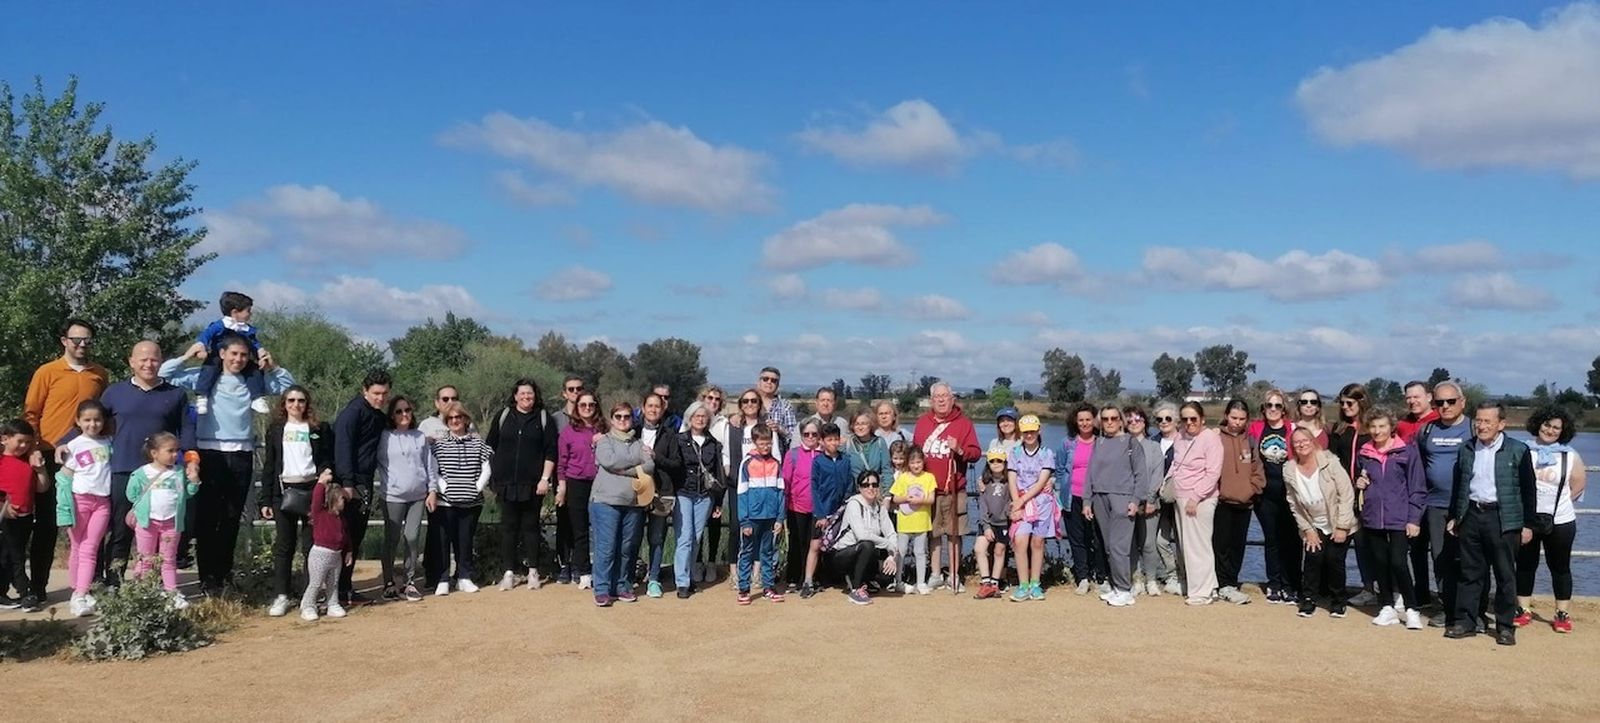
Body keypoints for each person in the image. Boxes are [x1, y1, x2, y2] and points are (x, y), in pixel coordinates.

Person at [161, 335, 295, 595]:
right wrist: (188, 354)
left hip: (241, 454)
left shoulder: (252, 381)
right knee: (207, 519)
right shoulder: (205, 377)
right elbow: (165, 374)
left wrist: (272, 365)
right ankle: (207, 578)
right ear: (222, 354)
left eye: (244, 355)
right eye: (233, 354)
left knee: (232, 518)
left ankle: (224, 575)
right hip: (210, 453)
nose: (238, 360)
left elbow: (287, 386)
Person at [25, 318, 109, 605]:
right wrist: (35, 447)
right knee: (48, 523)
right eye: (76, 340)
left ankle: (89, 585)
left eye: (87, 340)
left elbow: (103, 416)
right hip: (51, 454)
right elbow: (31, 413)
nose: (82, 345)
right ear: (64, 341)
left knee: (92, 526)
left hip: (89, 457)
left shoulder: (99, 374)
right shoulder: (47, 372)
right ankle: (37, 588)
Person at [96, 341, 191, 589]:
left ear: (161, 361)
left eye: (154, 359)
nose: (149, 364)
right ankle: (114, 582)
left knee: (161, 533)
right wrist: (67, 443)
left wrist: (192, 461)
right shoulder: (114, 393)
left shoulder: (176, 394)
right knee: (121, 530)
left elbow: (188, 430)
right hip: (124, 469)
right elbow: (92, 422)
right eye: (143, 359)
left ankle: (155, 585)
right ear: (131, 361)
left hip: (163, 475)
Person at [1445, 402, 1537, 646]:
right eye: (1478, 420)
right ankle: (1466, 621)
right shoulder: (1466, 449)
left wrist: (1528, 524)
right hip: (1472, 515)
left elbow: (1529, 490)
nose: (1481, 425)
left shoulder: (1518, 449)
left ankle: (1505, 626)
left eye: (1487, 421)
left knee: (1505, 574)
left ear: (1501, 424)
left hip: (1502, 518)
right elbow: (1460, 485)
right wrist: (1454, 516)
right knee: (1470, 572)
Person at [258, 386, 335, 617]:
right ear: (284, 403)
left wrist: (326, 473)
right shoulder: (276, 430)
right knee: (284, 546)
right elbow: (270, 466)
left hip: (313, 490)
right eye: (291, 400)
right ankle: (281, 595)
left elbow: (326, 458)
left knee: (311, 546)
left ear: (307, 403)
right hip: (284, 491)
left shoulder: (319, 429)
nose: (296, 404)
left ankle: (309, 596)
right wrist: (266, 500)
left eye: (301, 400)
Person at [1354, 407, 1426, 630]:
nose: (1377, 431)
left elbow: (1418, 487)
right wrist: (1360, 483)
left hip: (1399, 516)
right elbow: (1362, 478)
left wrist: (1414, 519)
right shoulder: (1364, 453)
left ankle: (1412, 608)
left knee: (1398, 562)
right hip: (1373, 517)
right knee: (1380, 563)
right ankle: (1386, 606)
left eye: (1382, 426)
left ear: (1391, 427)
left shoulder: (1407, 451)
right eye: (1373, 426)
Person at [1514, 407, 1585, 635]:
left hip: (1561, 520)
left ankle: (1562, 613)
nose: (1550, 430)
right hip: (1528, 519)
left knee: (1560, 567)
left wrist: (1561, 504)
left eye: (1556, 428)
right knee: (1525, 565)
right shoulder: (1524, 450)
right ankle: (1523, 609)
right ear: (1538, 424)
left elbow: (1579, 483)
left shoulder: (1569, 455)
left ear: (1563, 432)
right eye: (1546, 425)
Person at [485, 378, 558, 592]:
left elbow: (551, 451)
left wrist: (545, 479)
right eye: (522, 393)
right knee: (508, 528)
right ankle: (509, 572)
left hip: (533, 484)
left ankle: (533, 571)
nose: (526, 397)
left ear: (536, 396)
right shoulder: (503, 417)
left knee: (531, 527)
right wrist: (491, 477)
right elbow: (490, 447)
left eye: (530, 394)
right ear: (515, 395)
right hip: (505, 483)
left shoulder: (544, 419)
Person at [914, 382, 981, 593]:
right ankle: (935, 574)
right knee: (933, 533)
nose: (941, 400)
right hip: (929, 490)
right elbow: (915, 454)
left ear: (952, 399)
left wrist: (960, 449)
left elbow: (976, 453)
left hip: (955, 488)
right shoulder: (923, 423)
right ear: (931, 400)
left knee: (954, 534)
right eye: (937, 397)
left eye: (945, 396)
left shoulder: (964, 424)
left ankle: (953, 574)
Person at [1416, 381, 1473, 628]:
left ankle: (1473, 610)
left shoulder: (1474, 427)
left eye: (1451, 401)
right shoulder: (1427, 431)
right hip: (1436, 504)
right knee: (1440, 557)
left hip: (1469, 505)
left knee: (1472, 558)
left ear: (1463, 402)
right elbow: (1417, 464)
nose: (1445, 406)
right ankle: (1446, 606)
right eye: (1440, 402)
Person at [1083, 405, 1150, 608]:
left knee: (1119, 547)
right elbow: (1090, 474)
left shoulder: (1130, 443)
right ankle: (1117, 586)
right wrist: (1087, 500)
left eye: (1113, 418)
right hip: (1099, 498)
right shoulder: (1099, 442)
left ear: (1121, 420)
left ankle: (1124, 590)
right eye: (1105, 419)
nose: (1109, 422)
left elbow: (1141, 475)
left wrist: (1136, 500)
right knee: (1109, 547)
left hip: (1122, 498)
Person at [332, 370, 390, 605]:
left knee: (355, 537)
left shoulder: (376, 416)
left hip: (364, 481)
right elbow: (342, 448)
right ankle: (335, 590)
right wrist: (347, 483)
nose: (380, 398)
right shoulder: (353, 413)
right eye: (376, 393)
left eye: (384, 393)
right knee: (343, 538)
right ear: (365, 391)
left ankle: (346, 590)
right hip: (350, 483)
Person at [125, 432, 200, 610]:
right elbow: (131, 494)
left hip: (171, 523)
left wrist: (194, 482)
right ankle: (145, 591)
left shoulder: (179, 472)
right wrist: (143, 509)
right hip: (147, 523)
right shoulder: (141, 474)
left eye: (177, 450)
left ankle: (171, 592)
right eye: (170, 451)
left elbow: (187, 494)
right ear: (154, 453)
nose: (175, 455)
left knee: (168, 559)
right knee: (146, 558)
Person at [1286, 428, 1355, 618]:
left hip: (1336, 519)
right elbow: (1293, 504)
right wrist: (1308, 530)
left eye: (1305, 440)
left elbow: (1346, 493)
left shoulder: (1330, 462)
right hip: (1313, 521)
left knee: (1334, 559)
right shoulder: (1289, 469)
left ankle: (1338, 600)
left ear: (1313, 441)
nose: (1302, 444)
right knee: (1312, 558)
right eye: (1297, 442)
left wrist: (1342, 526)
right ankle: (1308, 599)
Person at [429, 402, 491, 596]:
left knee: (465, 541)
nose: (455, 421)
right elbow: (433, 470)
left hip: (471, 501)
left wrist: (477, 487)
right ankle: (443, 579)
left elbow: (486, 467)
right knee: (443, 541)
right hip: (445, 502)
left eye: (458, 417)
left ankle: (464, 577)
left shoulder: (478, 442)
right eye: (451, 418)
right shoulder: (439, 444)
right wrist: (445, 488)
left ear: (465, 419)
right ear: (447, 421)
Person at [58, 400, 113, 617]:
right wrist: (63, 508)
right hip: (79, 500)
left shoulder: (109, 442)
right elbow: (64, 479)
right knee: (78, 547)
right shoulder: (73, 445)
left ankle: (80, 592)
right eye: (87, 420)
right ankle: (79, 593)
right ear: (78, 421)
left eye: (97, 419)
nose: (93, 424)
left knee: (90, 548)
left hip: (102, 502)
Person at [591, 402, 650, 607]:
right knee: (606, 547)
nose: (623, 420)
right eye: (618, 416)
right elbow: (609, 461)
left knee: (627, 547)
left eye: (627, 416)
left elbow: (649, 464)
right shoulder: (604, 441)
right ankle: (602, 588)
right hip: (605, 501)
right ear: (612, 418)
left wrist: (625, 470)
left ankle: (622, 586)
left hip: (633, 501)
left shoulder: (637, 442)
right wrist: (635, 465)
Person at [379, 396, 435, 603]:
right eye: (399, 411)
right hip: (392, 496)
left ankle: (409, 581)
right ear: (392, 415)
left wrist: (432, 490)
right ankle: (388, 583)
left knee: (412, 537)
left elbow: (429, 465)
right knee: (392, 539)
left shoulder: (420, 436)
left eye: (408, 410)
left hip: (418, 495)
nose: (404, 415)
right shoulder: (384, 436)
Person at [1330, 383, 1380, 607]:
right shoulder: (1339, 430)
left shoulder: (1371, 429)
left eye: (1349, 403)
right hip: (1344, 493)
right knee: (1347, 542)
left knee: (1371, 543)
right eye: (1342, 403)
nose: (1345, 407)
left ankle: (1381, 588)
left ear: (1361, 402)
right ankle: (1352, 588)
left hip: (1368, 493)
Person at [1248, 390, 1300, 604]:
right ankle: (1274, 583)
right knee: (1271, 539)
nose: (1273, 409)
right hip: (1265, 494)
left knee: (1291, 539)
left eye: (1277, 406)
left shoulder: (1292, 429)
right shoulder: (1256, 428)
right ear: (1263, 409)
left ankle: (1291, 584)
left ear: (1283, 409)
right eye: (1269, 405)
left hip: (1289, 494)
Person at [669, 402, 725, 599]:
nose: (700, 419)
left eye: (704, 416)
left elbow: (718, 474)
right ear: (689, 418)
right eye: (696, 416)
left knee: (696, 538)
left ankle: (690, 575)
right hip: (684, 492)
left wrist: (718, 501)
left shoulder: (714, 444)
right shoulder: (678, 440)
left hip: (705, 496)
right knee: (684, 537)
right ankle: (682, 582)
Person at [186, 291, 270, 416]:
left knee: (254, 370)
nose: (250, 314)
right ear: (235, 312)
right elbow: (205, 336)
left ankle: (257, 397)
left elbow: (254, 343)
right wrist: (201, 347)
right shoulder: (219, 326)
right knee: (209, 369)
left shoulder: (246, 329)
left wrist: (262, 355)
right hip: (217, 356)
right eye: (248, 311)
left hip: (240, 359)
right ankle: (202, 396)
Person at [1173, 402, 1224, 606]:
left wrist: (1195, 497)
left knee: (1198, 546)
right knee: (1188, 545)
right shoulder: (1180, 436)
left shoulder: (1211, 439)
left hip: (1199, 499)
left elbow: (1213, 472)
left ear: (1202, 419)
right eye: (1185, 419)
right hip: (1181, 495)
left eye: (1193, 418)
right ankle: (1204, 587)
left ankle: (1202, 591)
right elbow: (1177, 464)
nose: (1189, 423)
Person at [1213, 400, 1263, 606]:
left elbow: (1257, 469)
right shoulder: (1215, 438)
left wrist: (1252, 489)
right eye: (1234, 418)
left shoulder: (1250, 440)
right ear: (1226, 415)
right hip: (1221, 501)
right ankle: (1221, 583)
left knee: (1238, 545)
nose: (1237, 422)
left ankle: (1231, 582)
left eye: (1242, 419)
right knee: (1220, 544)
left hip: (1244, 502)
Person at [0, 420, 50, 611]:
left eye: (28, 443)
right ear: (5, 439)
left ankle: (2, 592)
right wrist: (3, 504)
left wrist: (40, 469)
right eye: (20, 441)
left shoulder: (28, 461)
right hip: (6, 516)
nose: (24, 446)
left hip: (26, 516)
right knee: (16, 557)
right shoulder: (2, 461)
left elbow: (42, 487)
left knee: (10, 556)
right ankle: (25, 593)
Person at [1007, 415, 1058, 602]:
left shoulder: (1047, 453)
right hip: (1020, 500)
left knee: (1038, 542)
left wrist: (1022, 500)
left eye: (1032, 431)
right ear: (1021, 433)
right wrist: (1017, 502)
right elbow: (1012, 478)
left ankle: (1036, 583)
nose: (1029, 435)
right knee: (1020, 541)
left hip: (1041, 502)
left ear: (1039, 431)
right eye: (1025, 432)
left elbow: (1042, 481)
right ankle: (1023, 584)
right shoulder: (1015, 453)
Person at [828, 470, 899, 605]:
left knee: (886, 574)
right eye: (866, 485)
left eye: (874, 484)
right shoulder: (854, 504)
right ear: (859, 488)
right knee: (867, 544)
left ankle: (867, 579)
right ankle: (856, 589)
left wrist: (891, 555)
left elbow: (891, 533)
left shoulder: (879, 508)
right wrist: (888, 544)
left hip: (863, 552)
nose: (871, 488)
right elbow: (862, 535)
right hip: (841, 556)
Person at [557, 391, 605, 589]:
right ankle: (583, 570)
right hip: (576, 483)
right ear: (576, 408)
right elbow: (562, 462)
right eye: (583, 405)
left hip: (601, 483)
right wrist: (562, 488)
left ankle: (602, 570)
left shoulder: (605, 429)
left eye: (591, 405)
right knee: (580, 530)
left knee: (602, 529)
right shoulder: (568, 432)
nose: (587, 408)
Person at [636, 392, 681, 598]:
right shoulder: (632, 431)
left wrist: (657, 457)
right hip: (635, 492)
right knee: (632, 537)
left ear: (662, 409)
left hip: (662, 493)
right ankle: (629, 576)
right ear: (643, 408)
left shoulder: (670, 434)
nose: (653, 410)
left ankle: (654, 579)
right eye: (650, 406)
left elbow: (676, 464)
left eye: (657, 406)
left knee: (656, 537)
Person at [735, 424, 786, 605]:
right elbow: (741, 494)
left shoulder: (775, 464)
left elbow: (781, 492)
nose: (766, 447)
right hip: (752, 517)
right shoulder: (747, 463)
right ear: (755, 442)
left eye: (769, 443)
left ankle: (768, 587)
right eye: (762, 443)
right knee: (747, 552)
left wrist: (780, 518)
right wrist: (745, 521)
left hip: (770, 517)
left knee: (768, 553)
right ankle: (743, 588)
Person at [684, 385, 730, 585]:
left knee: (714, 522)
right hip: (692, 482)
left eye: (716, 399)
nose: (712, 401)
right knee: (694, 525)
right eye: (709, 398)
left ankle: (711, 561)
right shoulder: (690, 419)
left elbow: (727, 451)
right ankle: (697, 562)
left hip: (715, 480)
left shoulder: (724, 423)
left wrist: (725, 473)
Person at [722, 389, 768, 585]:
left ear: (759, 404)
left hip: (760, 486)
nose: (750, 404)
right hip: (737, 484)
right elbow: (725, 453)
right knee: (735, 527)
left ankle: (755, 570)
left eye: (754, 401)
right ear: (740, 404)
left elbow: (774, 454)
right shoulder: (732, 426)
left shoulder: (766, 428)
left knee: (758, 527)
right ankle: (734, 571)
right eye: (746, 401)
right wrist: (729, 473)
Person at [1060, 403, 1103, 594]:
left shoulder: (1102, 443)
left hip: (1097, 498)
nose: (1085, 423)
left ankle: (1101, 577)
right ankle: (1083, 577)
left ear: (1095, 421)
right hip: (1072, 497)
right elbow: (1060, 468)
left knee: (1098, 538)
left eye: (1088, 419)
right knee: (1077, 539)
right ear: (1075, 422)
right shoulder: (1067, 443)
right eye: (1081, 420)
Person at [805, 423, 852, 598]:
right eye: (829, 439)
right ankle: (808, 581)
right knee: (815, 545)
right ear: (822, 442)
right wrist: (821, 513)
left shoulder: (845, 460)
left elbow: (849, 483)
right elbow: (815, 489)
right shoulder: (818, 462)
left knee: (842, 544)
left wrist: (844, 506)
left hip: (841, 510)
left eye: (836, 439)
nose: (833, 443)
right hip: (822, 510)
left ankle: (849, 580)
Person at [1125, 406, 1167, 596]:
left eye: (1138, 419)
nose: (1134, 423)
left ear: (1144, 422)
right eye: (1130, 420)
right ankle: (1136, 579)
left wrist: (1151, 499)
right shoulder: (1122, 445)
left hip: (1150, 503)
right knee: (1131, 543)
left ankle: (1151, 579)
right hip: (1127, 503)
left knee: (1149, 544)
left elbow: (1158, 474)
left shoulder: (1154, 447)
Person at [300, 480, 352, 621]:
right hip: (320, 554)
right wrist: (321, 483)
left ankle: (332, 603)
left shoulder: (341, 519)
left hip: (336, 556)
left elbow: (346, 536)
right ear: (333, 499)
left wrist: (348, 551)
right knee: (316, 582)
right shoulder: (320, 513)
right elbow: (317, 497)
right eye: (341, 498)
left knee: (333, 583)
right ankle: (307, 605)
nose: (344, 501)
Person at [781, 419, 822, 594]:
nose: (810, 437)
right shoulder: (793, 454)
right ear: (801, 435)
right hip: (796, 506)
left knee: (815, 544)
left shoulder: (824, 455)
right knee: (797, 543)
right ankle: (793, 578)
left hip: (818, 509)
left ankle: (812, 577)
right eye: (806, 434)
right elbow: (786, 481)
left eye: (814, 434)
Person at [889, 447, 936, 595]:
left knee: (920, 552)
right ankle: (898, 581)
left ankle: (921, 582)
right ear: (908, 463)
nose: (916, 465)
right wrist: (906, 498)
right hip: (904, 522)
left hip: (921, 522)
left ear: (923, 462)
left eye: (919, 462)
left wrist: (921, 499)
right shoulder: (903, 478)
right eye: (913, 462)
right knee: (901, 551)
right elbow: (895, 498)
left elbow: (931, 499)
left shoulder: (929, 477)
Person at [1151, 402, 1184, 595]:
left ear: (1176, 420)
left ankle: (1184, 577)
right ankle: (1172, 575)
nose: (1164, 422)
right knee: (1160, 541)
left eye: (1168, 418)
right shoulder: (1153, 441)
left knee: (1182, 541)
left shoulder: (1185, 441)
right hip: (1159, 500)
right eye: (1160, 419)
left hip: (1180, 498)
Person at [973, 449, 1011, 600]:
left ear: (1005, 462)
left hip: (1003, 523)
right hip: (988, 522)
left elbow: (1010, 502)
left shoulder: (1010, 481)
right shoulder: (984, 481)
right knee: (979, 548)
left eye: (999, 461)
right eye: (992, 461)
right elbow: (982, 505)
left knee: (999, 551)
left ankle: (995, 584)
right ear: (988, 463)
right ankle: (986, 582)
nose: (996, 464)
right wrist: (986, 526)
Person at [845, 409, 893, 487]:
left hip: (875, 490)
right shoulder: (848, 445)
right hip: (856, 492)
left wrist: (887, 495)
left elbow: (887, 470)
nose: (860, 427)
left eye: (863, 424)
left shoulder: (880, 443)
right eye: (857, 424)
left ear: (871, 425)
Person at [757, 367, 798, 448]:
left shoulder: (785, 405)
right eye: (765, 379)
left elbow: (793, 435)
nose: (769, 382)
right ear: (759, 382)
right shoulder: (750, 402)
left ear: (777, 385)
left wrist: (779, 429)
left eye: (773, 380)